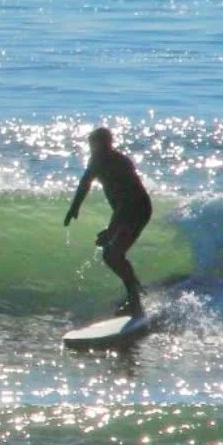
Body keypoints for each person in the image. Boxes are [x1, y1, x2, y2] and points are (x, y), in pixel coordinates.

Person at [64, 126, 152, 316]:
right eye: (92, 145)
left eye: (95, 144)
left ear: (107, 144)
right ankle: (135, 294)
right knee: (113, 255)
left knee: (112, 255)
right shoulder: (97, 160)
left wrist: (111, 230)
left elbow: (128, 202)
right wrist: (74, 207)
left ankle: (135, 302)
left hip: (137, 209)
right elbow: (85, 182)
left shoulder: (118, 163)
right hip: (126, 210)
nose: (93, 148)